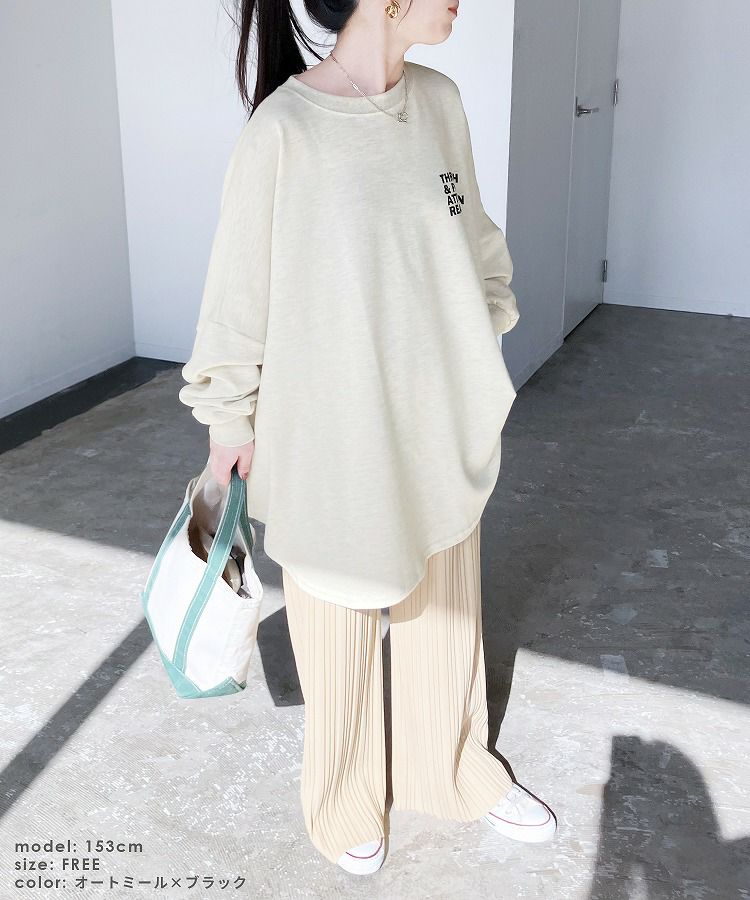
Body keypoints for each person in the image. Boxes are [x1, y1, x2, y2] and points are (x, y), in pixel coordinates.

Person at [178, 0, 557, 876]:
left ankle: (450, 768)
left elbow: (467, 224)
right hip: (332, 429)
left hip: (437, 413)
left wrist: (485, 317)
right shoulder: (285, 132)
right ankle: (343, 795)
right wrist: (229, 423)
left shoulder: (440, 103)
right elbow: (236, 298)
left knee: (444, 599)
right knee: (338, 610)